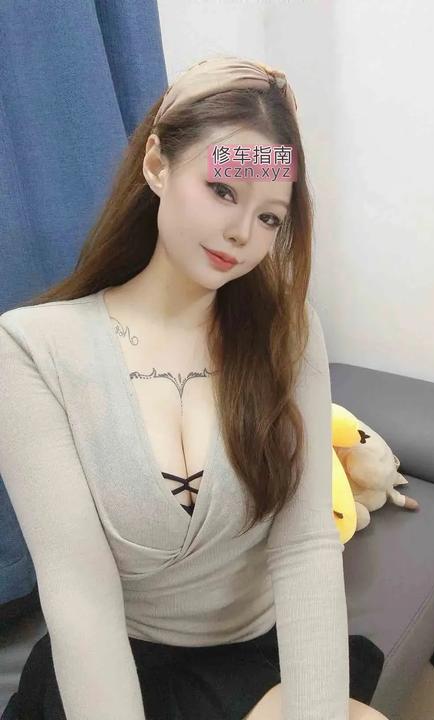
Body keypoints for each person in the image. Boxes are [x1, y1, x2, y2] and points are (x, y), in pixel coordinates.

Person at [0, 55, 389, 720]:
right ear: (157, 164)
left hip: (252, 650)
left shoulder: (288, 333)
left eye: (271, 218)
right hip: (116, 660)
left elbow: (305, 545)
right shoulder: (34, 348)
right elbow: (78, 593)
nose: (242, 234)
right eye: (223, 191)